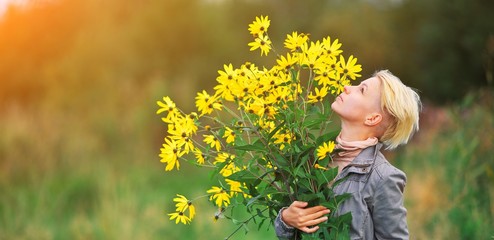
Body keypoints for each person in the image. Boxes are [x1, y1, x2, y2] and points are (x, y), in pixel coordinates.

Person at [274, 70, 421, 239]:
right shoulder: (313, 159)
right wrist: (286, 219)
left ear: (372, 118)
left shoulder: (384, 178)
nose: (346, 87)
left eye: (361, 90)